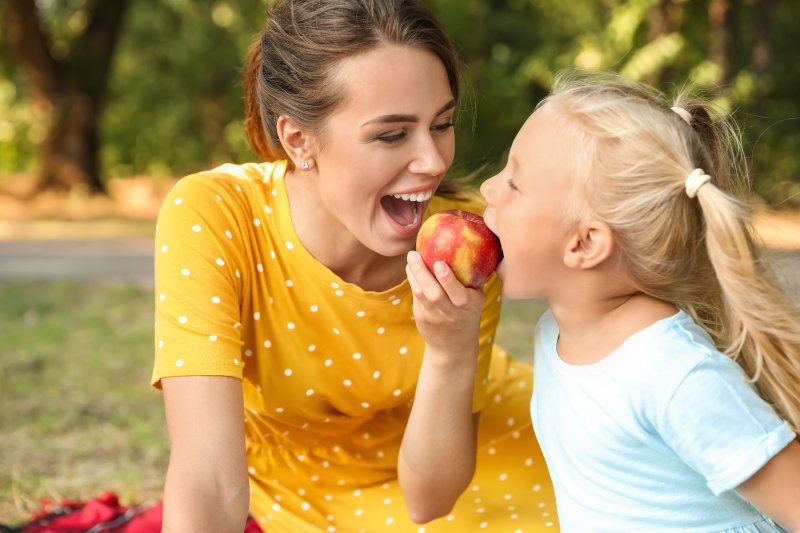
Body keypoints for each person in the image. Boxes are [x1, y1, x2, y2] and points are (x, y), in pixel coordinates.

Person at [151, 0, 558, 531]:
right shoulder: (216, 215)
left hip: (467, 454)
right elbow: (207, 474)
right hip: (303, 487)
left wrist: (451, 351)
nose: (434, 162)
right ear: (299, 141)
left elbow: (430, 501)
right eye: (392, 134)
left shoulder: (470, 241)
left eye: (442, 124)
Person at [478, 68, 800, 531]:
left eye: (513, 182)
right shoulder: (556, 332)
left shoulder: (671, 371)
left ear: (585, 244)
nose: (489, 187)